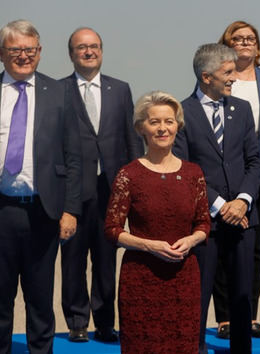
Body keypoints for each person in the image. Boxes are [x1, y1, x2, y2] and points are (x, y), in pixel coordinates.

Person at [104, 91, 209, 353]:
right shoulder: (129, 174)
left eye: (169, 121)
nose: (163, 128)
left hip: (185, 280)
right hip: (141, 280)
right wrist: (149, 246)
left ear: (178, 125)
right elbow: (112, 230)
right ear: (142, 128)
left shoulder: (193, 173)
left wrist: (192, 239)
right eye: (154, 122)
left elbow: (204, 223)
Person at [173, 43, 260, 354]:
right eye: (227, 72)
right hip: (203, 223)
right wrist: (220, 206)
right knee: (200, 291)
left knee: (242, 294)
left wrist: (243, 201)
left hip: (243, 218)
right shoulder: (181, 113)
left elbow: (254, 161)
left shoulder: (242, 109)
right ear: (206, 76)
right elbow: (184, 170)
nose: (233, 78)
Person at [0, 19, 81, 354]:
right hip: (2, 210)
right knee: (1, 298)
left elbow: (75, 157)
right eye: (16, 50)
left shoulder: (60, 92)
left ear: (40, 52)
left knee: (40, 298)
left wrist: (71, 210)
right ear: (2, 53)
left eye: (30, 50)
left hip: (44, 212)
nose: (23, 56)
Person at [60, 27, 144, 343]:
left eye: (94, 46)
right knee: (73, 260)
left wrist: (136, 184)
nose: (88, 51)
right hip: (72, 191)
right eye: (82, 47)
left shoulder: (120, 90)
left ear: (102, 51)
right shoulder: (58, 91)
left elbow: (132, 138)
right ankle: (77, 322)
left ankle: (105, 323)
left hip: (111, 189)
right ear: (71, 54)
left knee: (107, 260)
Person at [213, 20, 260, 340]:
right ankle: (226, 317)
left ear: (258, 47)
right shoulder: (217, 78)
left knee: (252, 246)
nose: (245, 43)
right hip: (223, 172)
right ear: (226, 45)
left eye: (250, 38)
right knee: (221, 243)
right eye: (238, 38)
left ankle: (250, 315)